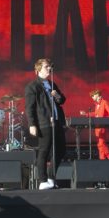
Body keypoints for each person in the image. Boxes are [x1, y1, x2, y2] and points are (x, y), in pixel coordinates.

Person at [25, 58, 66, 190]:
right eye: (46, 67)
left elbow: (62, 100)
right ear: (38, 70)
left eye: (50, 67)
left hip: (57, 122)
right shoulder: (33, 86)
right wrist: (32, 124)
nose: (49, 69)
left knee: (60, 150)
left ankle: (51, 178)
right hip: (44, 122)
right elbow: (29, 107)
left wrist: (57, 96)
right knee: (44, 151)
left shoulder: (52, 84)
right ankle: (42, 180)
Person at [80, 89, 109, 160]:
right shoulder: (97, 105)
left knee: (101, 144)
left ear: (97, 95)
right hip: (97, 127)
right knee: (100, 145)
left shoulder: (104, 102)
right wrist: (86, 114)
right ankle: (102, 159)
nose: (92, 98)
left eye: (93, 96)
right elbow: (95, 113)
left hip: (102, 126)